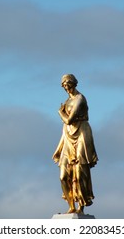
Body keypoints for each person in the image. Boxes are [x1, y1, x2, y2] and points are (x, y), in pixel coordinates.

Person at [52, 74, 98, 214]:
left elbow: (69, 120)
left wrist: (60, 113)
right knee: (63, 176)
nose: (67, 88)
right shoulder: (67, 101)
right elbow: (67, 125)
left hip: (81, 134)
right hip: (68, 136)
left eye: (69, 84)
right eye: (64, 86)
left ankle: (81, 207)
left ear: (74, 84)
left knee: (80, 171)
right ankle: (71, 205)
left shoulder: (80, 99)